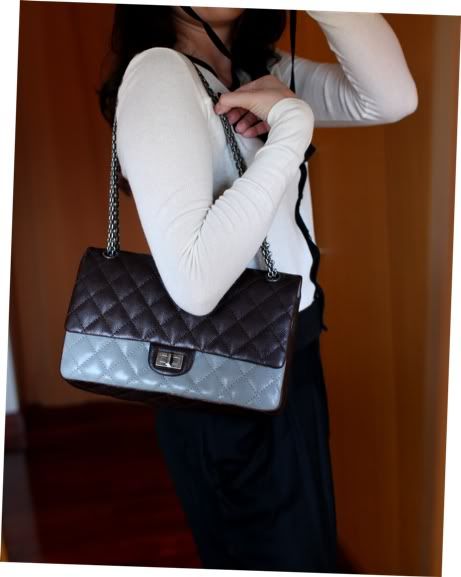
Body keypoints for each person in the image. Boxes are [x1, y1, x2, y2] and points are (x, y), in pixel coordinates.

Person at [98, 5, 418, 572]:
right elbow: (195, 282)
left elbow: (391, 98)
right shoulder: (160, 74)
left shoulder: (256, 70)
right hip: (224, 384)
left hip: (292, 357)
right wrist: (291, 125)